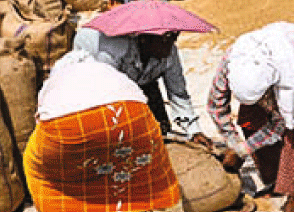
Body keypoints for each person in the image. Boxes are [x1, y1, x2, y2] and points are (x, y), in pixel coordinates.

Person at [24, 51, 188, 212]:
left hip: (68, 124)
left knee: (42, 172)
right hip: (130, 114)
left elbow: (42, 119)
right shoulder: (110, 73)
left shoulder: (55, 81)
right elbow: (140, 99)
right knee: (157, 173)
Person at [206, 21, 294, 212]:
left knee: (292, 132)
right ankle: (274, 179)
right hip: (278, 52)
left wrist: (242, 151)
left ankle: (291, 200)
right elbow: (215, 105)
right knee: (249, 119)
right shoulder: (232, 60)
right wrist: (233, 142)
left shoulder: (289, 81)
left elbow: (279, 127)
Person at [72, 25, 213, 149]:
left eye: (174, 37)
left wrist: (194, 131)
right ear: (144, 40)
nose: (172, 43)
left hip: (144, 82)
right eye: (166, 39)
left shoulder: (169, 52)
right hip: (102, 87)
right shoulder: (112, 51)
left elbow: (178, 92)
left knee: (159, 132)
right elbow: (106, 95)